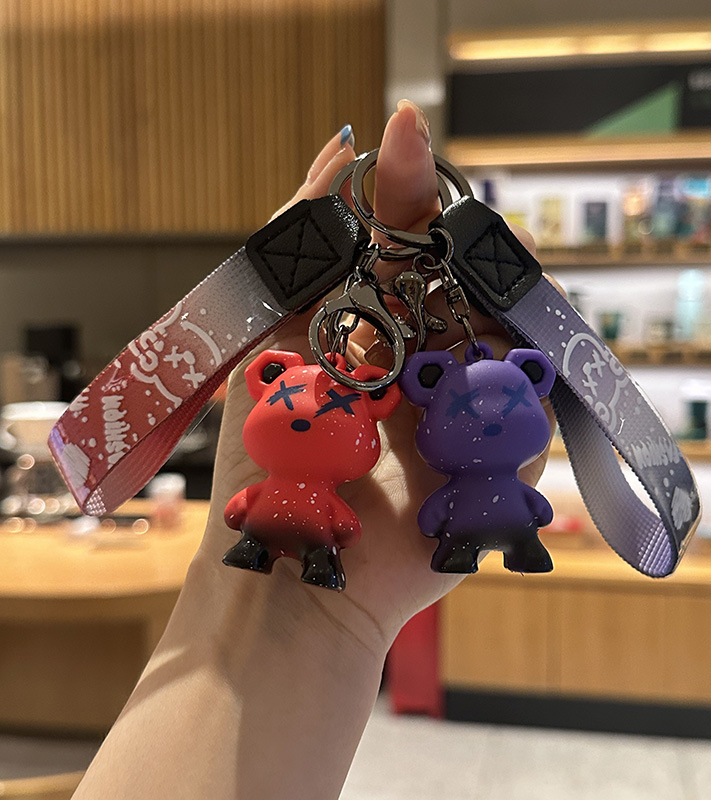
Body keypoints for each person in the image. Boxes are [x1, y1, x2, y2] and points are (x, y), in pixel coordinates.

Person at [71, 99, 554, 800]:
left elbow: (391, 514)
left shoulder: (415, 410)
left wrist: (318, 617)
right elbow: (278, 509)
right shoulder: (317, 394)